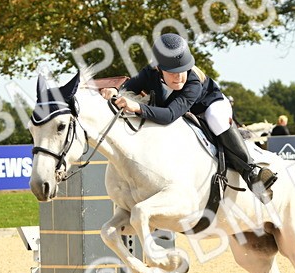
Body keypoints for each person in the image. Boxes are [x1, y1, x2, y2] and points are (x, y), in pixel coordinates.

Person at [100, 34, 276, 201]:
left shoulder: (193, 83)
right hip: (179, 110)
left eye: (183, 70)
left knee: (216, 118)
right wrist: (115, 90)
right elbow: (130, 85)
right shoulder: (150, 72)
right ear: (159, 69)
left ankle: (251, 171)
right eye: (172, 72)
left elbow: (169, 115)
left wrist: (137, 107)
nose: (179, 76)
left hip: (210, 105)